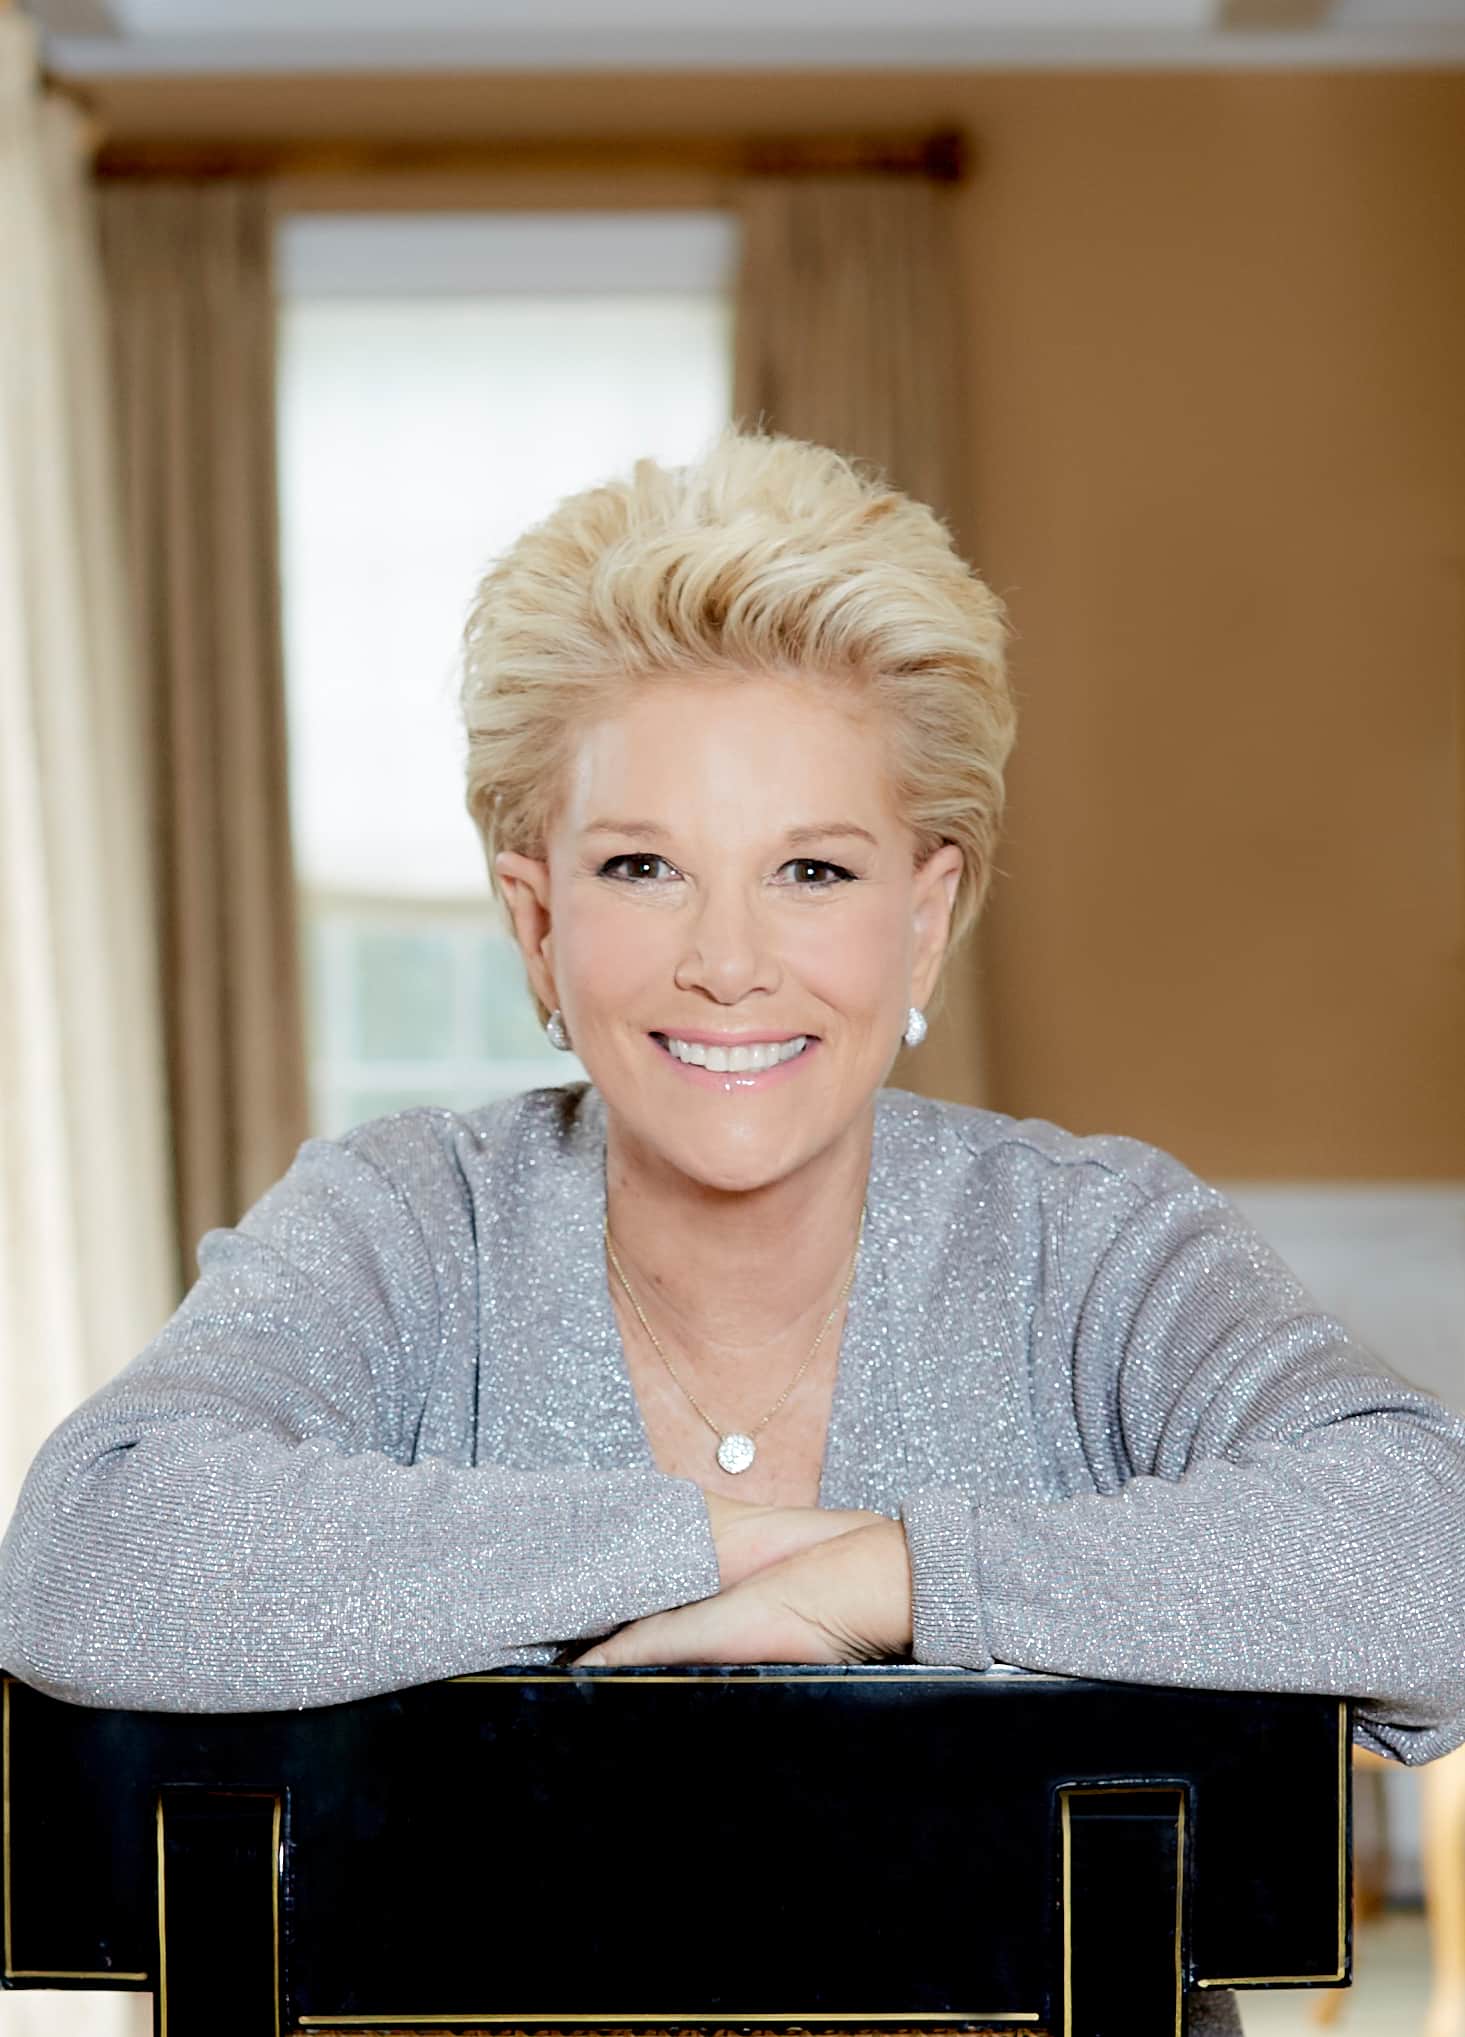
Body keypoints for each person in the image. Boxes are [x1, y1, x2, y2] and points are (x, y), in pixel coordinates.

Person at [1, 429, 1462, 2035]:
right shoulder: (405, 1224)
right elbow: (91, 1553)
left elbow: (1432, 1559)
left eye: (811, 870)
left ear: (924, 917)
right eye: (643, 867)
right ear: (536, 921)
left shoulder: (1088, 1245)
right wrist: (722, 1543)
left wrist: (892, 1575)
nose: (728, 961)